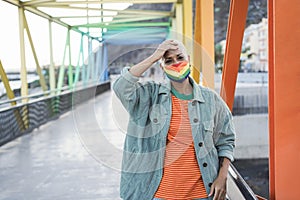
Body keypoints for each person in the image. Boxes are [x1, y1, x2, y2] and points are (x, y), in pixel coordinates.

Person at [113, 39, 236, 200]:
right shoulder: (149, 96)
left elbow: (226, 140)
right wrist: (155, 56)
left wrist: (223, 176)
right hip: (158, 194)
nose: (176, 63)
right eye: (168, 61)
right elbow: (121, 87)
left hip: (203, 194)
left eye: (180, 57)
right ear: (162, 67)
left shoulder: (212, 100)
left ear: (189, 60)